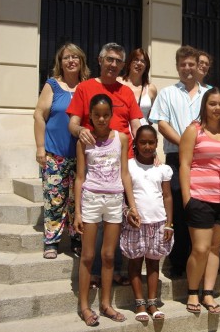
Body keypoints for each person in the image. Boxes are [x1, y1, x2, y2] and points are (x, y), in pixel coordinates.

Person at [67, 42, 142, 288]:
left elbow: (136, 126)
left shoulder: (127, 92)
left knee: (118, 218)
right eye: (109, 59)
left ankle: (116, 268)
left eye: (118, 61)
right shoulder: (85, 88)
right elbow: (73, 123)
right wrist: (80, 131)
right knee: (95, 224)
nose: (113, 64)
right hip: (94, 160)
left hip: (123, 159)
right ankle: (96, 271)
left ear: (123, 65)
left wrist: (148, 154)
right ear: (100, 60)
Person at [73, 94, 139, 325]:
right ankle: (84, 306)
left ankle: (106, 303)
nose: (101, 119)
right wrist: (78, 212)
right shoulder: (84, 140)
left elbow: (125, 173)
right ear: (90, 115)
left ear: (111, 115)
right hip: (91, 199)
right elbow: (80, 177)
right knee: (88, 255)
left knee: (109, 255)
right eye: (97, 115)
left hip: (114, 201)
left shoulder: (120, 138)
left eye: (106, 115)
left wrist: (132, 206)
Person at [180, 87, 220, 315]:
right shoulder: (193, 130)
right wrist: (188, 199)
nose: (217, 108)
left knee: (215, 248)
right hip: (200, 198)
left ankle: (208, 292)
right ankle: (192, 290)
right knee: (201, 248)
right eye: (212, 103)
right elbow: (185, 165)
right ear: (204, 105)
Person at [149, 45, 209, 278]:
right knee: (180, 210)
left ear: (198, 66)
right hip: (176, 159)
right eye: (182, 65)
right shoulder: (167, 93)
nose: (187, 69)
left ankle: (202, 259)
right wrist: (187, 143)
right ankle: (179, 261)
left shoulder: (208, 94)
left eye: (191, 64)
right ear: (177, 67)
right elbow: (162, 124)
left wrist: (197, 145)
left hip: (204, 158)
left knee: (203, 209)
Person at [33, 43, 90, 259]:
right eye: (67, 57)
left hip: (82, 156)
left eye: (75, 57)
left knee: (79, 199)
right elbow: (39, 115)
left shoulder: (87, 86)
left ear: (82, 62)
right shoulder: (52, 85)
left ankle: (76, 238)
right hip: (54, 153)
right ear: (60, 61)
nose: (71, 60)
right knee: (55, 198)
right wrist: (40, 147)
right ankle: (52, 241)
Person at [120, 125, 174, 322]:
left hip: (158, 222)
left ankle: (152, 302)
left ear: (157, 144)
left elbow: (167, 196)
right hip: (136, 223)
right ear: (135, 144)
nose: (147, 146)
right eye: (142, 142)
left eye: (151, 142)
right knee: (135, 262)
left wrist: (170, 223)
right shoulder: (128, 166)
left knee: (153, 263)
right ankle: (139, 303)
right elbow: (124, 195)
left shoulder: (162, 169)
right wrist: (127, 213)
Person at [118, 48, 157, 123]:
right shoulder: (118, 82)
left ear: (146, 67)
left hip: (142, 133)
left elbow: (151, 119)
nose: (139, 63)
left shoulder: (151, 88)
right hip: (122, 132)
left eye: (143, 61)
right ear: (129, 63)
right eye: (136, 59)